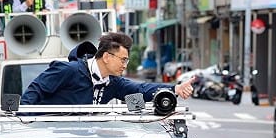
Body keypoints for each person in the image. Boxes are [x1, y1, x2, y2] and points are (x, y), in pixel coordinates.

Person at [21, 31, 194, 105]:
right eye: (123, 60)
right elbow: (35, 91)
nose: (125, 65)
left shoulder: (113, 83)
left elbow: (140, 88)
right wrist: (27, 124)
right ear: (106, 57)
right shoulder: (68, 70)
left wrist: (175, 89)